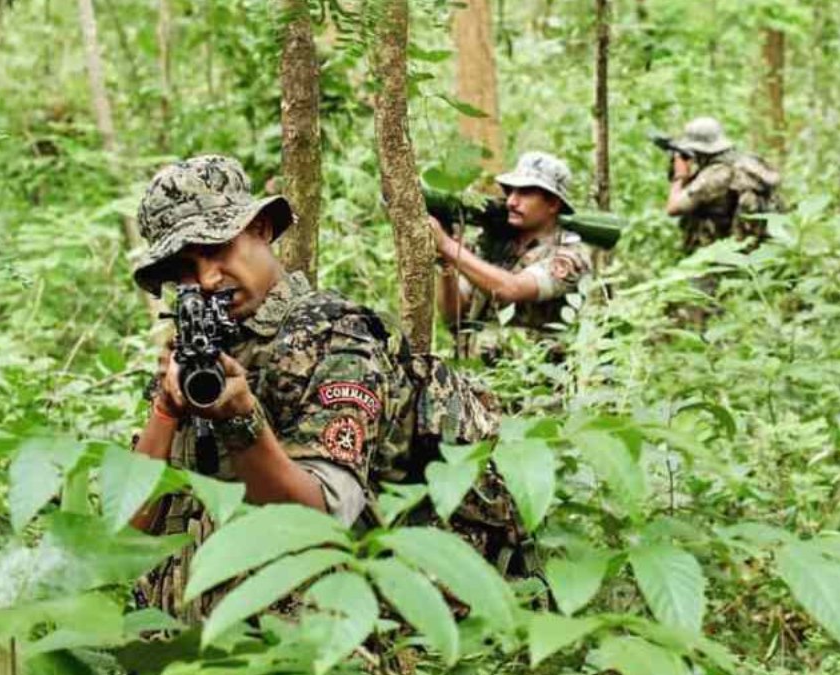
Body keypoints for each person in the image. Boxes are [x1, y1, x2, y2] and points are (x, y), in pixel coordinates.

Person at [128, 155, 501, 620]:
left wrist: (240, 421)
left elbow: (320, 520)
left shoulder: (335, 336)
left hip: (331, 627)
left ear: (261, 228)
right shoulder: (197, 349)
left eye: (217, 248)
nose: (207, 279)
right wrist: (166, 408)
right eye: (185, 267)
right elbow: (128, 536)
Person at [432, 151, 594, 362]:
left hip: (528, 376)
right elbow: (452, 315)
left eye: (525, 193)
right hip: (473, 371)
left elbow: (511, 289)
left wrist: (448, 246)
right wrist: (446, 265)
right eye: (510, 191)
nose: (511, 201)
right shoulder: (492, 244)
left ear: (553, 204)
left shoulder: (569, 256)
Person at [665, 116, 782, 255]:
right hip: (753, 245)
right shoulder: (746, 162)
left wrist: (679, 175)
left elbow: (673, 208)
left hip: (719, 251)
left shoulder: (714, 175)